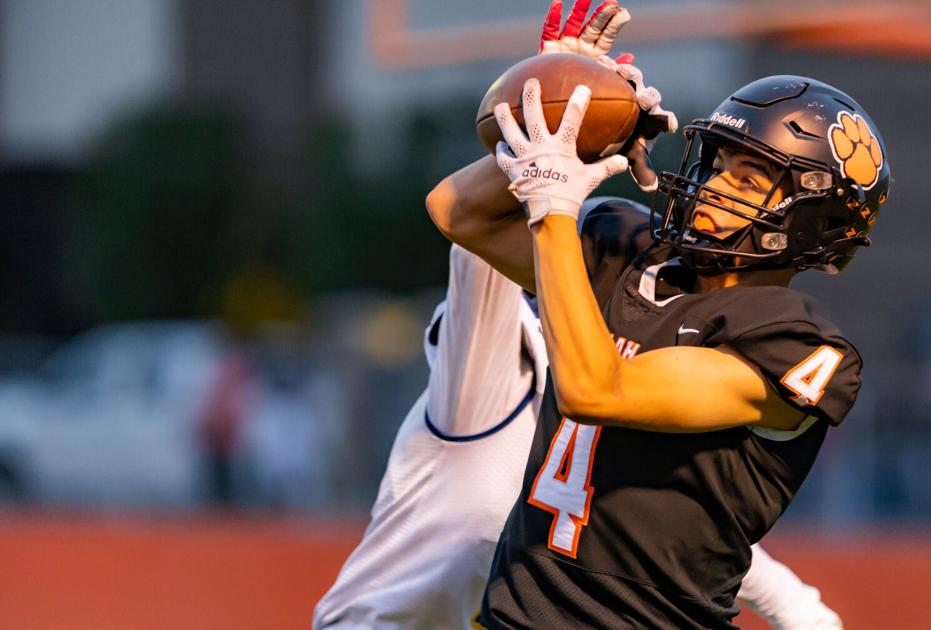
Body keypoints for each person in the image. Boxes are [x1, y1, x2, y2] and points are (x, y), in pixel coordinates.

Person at [313, 2, 844, 628]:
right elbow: (459, 211)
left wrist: (554, 203)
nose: (715, 187)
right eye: (719, 166)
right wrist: (566, 118)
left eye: (749, 182)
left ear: (810, 222)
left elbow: (596, 389)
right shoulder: (633, 253)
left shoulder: (798, 344)